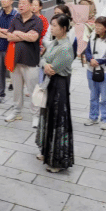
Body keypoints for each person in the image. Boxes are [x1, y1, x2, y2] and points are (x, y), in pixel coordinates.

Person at [36, 14, 75, 173]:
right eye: (51, 25)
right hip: (50, 83)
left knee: (57, 120)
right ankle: (46, 151)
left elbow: (53, 68)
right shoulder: (54, 42)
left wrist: (45, 64)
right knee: (47, 117)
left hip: (59, 84)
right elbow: (42, 59)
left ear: (64, 28)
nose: (51, 28)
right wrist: (44, 64)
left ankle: (57, 160)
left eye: (54, 26)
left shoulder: (66, 48)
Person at [5, 0, 44, 128]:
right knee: (17, 89)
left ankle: (36, 115)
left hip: (31, 61)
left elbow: (34, 38)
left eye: (24, 3)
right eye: (19, 3)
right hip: (16, 60)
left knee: (33, 90)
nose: (20, 5)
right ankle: (16, 111)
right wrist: (25, 35)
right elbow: (9, 37)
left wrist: (17, 33)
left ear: (31, 5)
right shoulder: (15, 18)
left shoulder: (37, 20)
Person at [84, 17, 106, 130]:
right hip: (91, 70)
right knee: (93, 95)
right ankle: (93, 117)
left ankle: (105, 119)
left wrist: (98, 61)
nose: (96, 27)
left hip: (105, 72)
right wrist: (90, 59)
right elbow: (87, 50)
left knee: (105, 97)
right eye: (96, 25)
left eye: (99, 26)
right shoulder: (93, 35)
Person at [0, 0, 18, 104]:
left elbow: (16, 32)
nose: (3, 0)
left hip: (13, 48)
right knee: (0, 72)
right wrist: (6, 35)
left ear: (11, 1)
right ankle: (0, 95)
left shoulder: (16, 15)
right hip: (0, 47)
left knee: (15, 74)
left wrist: (2, 31)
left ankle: (17, 99)